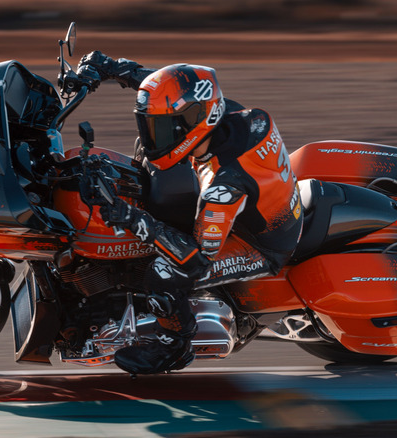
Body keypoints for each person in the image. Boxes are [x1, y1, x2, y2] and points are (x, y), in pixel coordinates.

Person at [77, 51, 304, 374]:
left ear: (195, 121)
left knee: (163, 273)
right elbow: (169, 94)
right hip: (260, 202)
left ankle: (175, 345)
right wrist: (111, 68)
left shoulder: (223, 188)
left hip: (259, 243)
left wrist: (126, 216)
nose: (152, 136)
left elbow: (195, 259)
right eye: (150, 125)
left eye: (162, 129)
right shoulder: (223, 112)